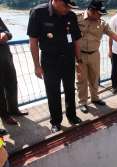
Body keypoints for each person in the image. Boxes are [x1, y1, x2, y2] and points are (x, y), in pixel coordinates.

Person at [27, 0, 83, 133]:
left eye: (70, 7)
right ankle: (56, 122)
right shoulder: (38, 13)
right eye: (65, 6)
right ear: (56, 1)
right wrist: (37, 66)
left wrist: (79, 61)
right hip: (49, 61)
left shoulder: (71, 15)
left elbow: (76, 40)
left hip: (68, 60)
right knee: (53, 93)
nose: (68, 9)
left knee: (70, 89)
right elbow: (33, 42)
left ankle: (72, 116)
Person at [77, 0, 117, 113]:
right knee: (81, 80)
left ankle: (95, 98)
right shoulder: (77, 18)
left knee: (94, 78)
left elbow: (114, 36)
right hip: (80, 55)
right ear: (92, 11)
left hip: (94, 54)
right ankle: (83, 102)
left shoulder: (102, 23)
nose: (100, 16)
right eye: (99, 13)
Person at [0, 18, 28, 126]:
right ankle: (5, 115)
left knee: (12, 84)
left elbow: (9, 33)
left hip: (7, 59)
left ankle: (13, 110)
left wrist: (5, 34)